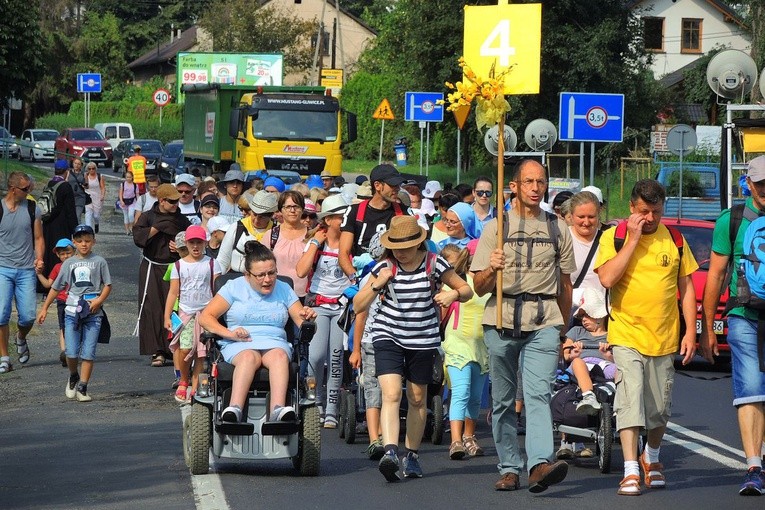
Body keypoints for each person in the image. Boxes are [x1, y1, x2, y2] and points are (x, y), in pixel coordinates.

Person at [470, 159, 576, 492]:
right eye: (528, 182)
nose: (535, 188)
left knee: (537, 395)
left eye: (541, 182)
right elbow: (479, 287)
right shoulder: (495, 227)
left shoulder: (558, 228)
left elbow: (566, 284)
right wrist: (491, 268)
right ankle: (509, 467)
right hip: (500, 320)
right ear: (514, 186)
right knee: (502, 400)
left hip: (544, 320)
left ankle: (539, 463)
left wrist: (561, 328)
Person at [595, 179, 697, 496]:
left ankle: (650, 456)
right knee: (629, 403)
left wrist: (691, 331)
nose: (650, 218)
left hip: (664, 338)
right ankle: (630, 470)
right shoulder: (615, 237)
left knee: (658, 411)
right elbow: (608, 278)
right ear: (631, 208)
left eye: (655, 211)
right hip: (626, 334)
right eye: (644, 211)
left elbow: (688, 289)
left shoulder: (676, 240)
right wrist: (633, 238)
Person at [354, 215, 472, 481]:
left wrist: (452, 294)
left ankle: (412, 455)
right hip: (388, 335)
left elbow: (466, 290)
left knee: (418, 398)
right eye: (395, 247)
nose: (400, 253)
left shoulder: (434, 263)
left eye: (406, 248)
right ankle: (390, 452)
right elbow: (358, 306)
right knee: (392, 394)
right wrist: (377, 284)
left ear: (418, 244)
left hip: (423, 339)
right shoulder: (384, 266)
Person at [701, 155, 765, 496]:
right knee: (751, 387)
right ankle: (754, 465)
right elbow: (715, 275)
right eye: (762, 184)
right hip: (742, 314)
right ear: (749, 184)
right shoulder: (732, 220)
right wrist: (708, 329)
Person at [199, 241, 317, 423]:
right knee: (249, 357)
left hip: (274, 342)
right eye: (261, 275)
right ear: (247, 275)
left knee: (279, 356)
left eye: (272, 273)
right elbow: (206, 317)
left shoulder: (284, 288)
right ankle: (234, 408)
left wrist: (307, 318)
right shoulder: (233, 287)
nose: (268, 279)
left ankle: (278, 409)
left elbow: (300, 319)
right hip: (239, 343)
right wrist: (229, 334)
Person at [296, 194, 353, 428]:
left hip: (341, 307)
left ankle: (331, 408)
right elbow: (300, 271)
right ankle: (316, 402)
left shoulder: (351, 244)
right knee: (316, 357)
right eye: (341, 217)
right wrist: (315, 244)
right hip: (318, 305)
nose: (345, 221)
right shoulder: (316, 243)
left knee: (337, 358)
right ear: (328, 220)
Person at [38, 224, 112, 402]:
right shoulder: (69, 263)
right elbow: (56, 288)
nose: (84, 244)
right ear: (74, 242)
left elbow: (107, 285)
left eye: (87, 241)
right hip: (71, 310)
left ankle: (83, 387)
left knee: (88, 351)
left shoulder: (100, 261)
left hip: (93, 311)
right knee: (71, 351)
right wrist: (44, 308)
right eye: (79, 241)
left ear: (93, 241)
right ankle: (73, 375)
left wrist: (99, 300)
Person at [440, 241, 491, 460]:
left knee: (476, 397)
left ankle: (470, 437)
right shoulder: (456, 282)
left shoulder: (492, 284)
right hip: (458, 342)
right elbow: (442, 309)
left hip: (483, 345)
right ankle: (456, 441)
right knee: (461, 391)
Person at [133, 184, 191, 367]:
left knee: (174, 307)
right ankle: (157, 350)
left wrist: (180, 249)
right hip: (152, 266)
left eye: (177, 201)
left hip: (173, 268)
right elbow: (138, 237)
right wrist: (156, 229)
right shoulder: (148, 217)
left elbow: (191, 241)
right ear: (161, 201)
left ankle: (173, 347)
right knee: (152, 307)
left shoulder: (181, 220)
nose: (176, 204)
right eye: (172, 201)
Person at [556, 287, 614, 460]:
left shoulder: (612, 335)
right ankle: (588, 396)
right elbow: (565, 354)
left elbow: (617, 360)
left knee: (622, 371)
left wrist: (608, 356)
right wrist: (572, 354)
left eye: (587, 315)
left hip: (604, 367)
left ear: (599, 316)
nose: (583, 320)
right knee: (579, 362)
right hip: (580, 367)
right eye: (582, 316)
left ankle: (622, 404)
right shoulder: (575, 332)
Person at [164, 225, 221, 403]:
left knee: (202, 353)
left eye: (199, 242)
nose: (195, 247)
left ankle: (195, 387)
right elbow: (173, 292)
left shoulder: (212, 263)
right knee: (185, 348)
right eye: (192, 243)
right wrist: (167, 316)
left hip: (206, 314)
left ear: (205, 243)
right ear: (186, 244)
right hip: (186, 312)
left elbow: (218, 289)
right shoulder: (178, 266)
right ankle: (183, 380)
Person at [0, 172, 45, 373]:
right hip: (3, 268)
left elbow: (38, 238)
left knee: (27, 317)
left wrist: (40, 257)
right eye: (26, 189)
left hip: (26, 269)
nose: (29, 192)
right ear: (13, 189)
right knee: (1, 315)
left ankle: (20, 337)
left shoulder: (33, 208)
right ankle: (4, 358)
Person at [339, 164, 407, 280]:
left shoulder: (403, 212)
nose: (397, 188)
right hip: (363, 277)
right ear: (377, 185)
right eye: (393, 185)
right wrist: (356, 280)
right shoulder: (354, 212)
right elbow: (343, 254)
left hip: (394, 278)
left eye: (398, 185)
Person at [36, 239, 76, 367]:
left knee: (77, 326)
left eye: (67, 253)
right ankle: (65, 353)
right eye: (62, 254)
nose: (65, 256)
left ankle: (73, 351)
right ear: (58, 255)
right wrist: (39, 274)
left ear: (74, 251)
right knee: (63, 327)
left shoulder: (79, 264)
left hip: (77, 301)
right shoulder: (57, 268)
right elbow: (48, 284)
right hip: (62, 301)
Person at [217, 190, 278, 274]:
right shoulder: (237, 227)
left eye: (262, 217)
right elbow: (222, 260)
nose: (256, 220)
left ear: (271, 215)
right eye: (254, 214)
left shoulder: (276, 231)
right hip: (237, 276)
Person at [568, 191, 606, 311]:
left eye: (591, 217)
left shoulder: (608, 240)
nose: (586, 222)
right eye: (581, 217)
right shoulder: (562, 239)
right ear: (571, 216)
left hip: (599, 317)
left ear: (599, 214)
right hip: (569, 313)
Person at [42, 160, 78, 281]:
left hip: (48, 223)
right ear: (66, 171)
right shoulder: (65, 186)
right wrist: (75, 230)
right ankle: (60, 281)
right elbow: (70, 211)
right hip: (61, 225)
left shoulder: (49, 183)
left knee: (49, 251)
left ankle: (48, 279)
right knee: (62, 252)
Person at [83, 162, 106, 233]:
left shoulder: (99, 176)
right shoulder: (85, 176)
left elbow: (103, 187)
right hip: (88, 197)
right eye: (89, 169)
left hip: (97, 197)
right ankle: (88, 231)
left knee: (96, 216)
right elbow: (83, 186)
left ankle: (96, 223)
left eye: (93, 168)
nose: (91, 170)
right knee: (88, 213)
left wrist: (102, 195)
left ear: (95, 169)